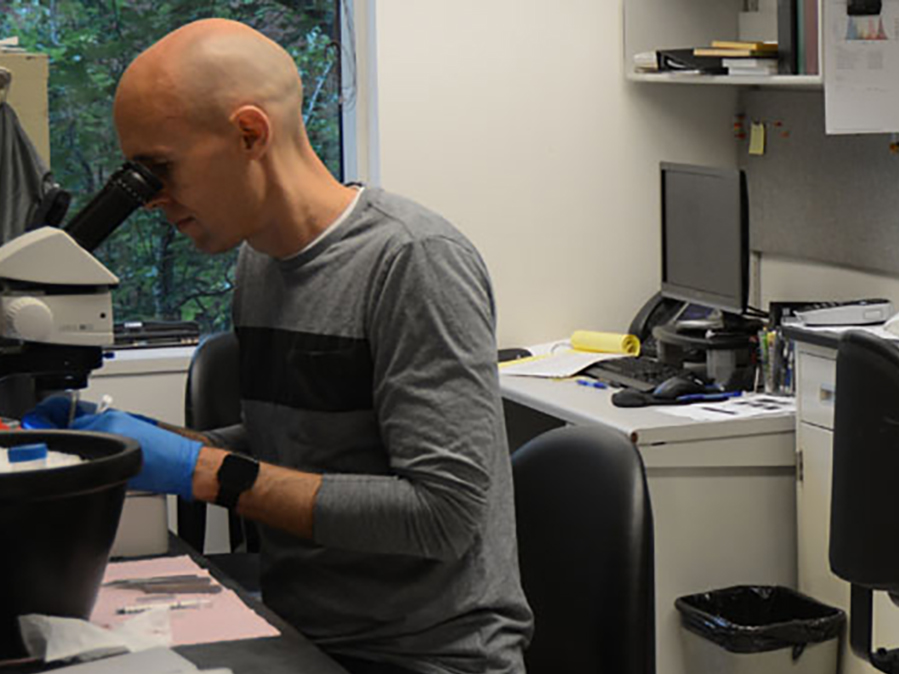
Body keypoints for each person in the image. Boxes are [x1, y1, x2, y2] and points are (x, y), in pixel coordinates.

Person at [27, 19, 531, 674]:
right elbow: (296, 450)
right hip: (300, 629)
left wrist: (201, 471)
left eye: (159, 171)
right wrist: (133, 443)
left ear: (249, 134)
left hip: (426, 656)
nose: (150, 201)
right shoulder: (260, 265)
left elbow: (442, 515)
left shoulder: (412, 261)